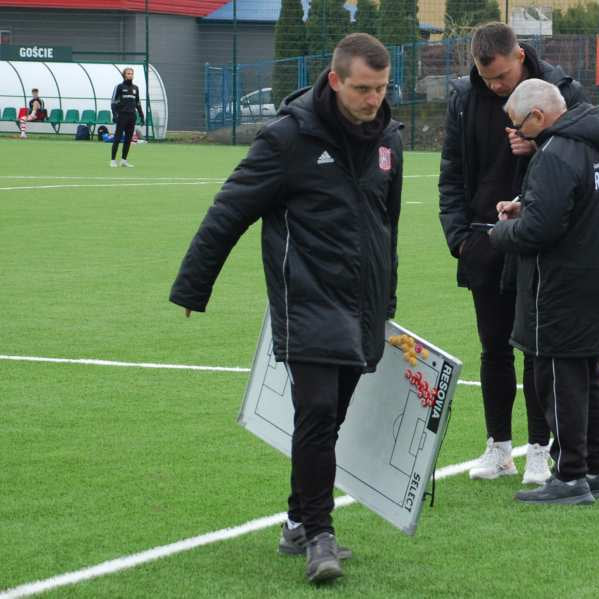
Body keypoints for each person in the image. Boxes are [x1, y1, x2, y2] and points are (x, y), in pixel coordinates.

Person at [169, 33, 402, 583]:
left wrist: (386, 299)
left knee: (334, 416)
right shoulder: (288, 139)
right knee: (318, 414)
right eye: (364, 89)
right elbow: (229, 210)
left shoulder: (389, 137)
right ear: (336, 79)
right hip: (306, 299)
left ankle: (298, 519)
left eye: (383, 87)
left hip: (362, 305)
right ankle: (321, 536)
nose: (374, 99)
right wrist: (192, 288)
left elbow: (385, 227)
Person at [438, 22, 585, 484]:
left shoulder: (561, 90)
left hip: (539, 242)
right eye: (488, 80)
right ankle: (498, 447)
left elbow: (584, 154)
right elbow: (451, 172)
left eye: (501, 77)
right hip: (483, 241)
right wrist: (459, 237)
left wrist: (538, 143)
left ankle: (538, 450)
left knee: (537, 350)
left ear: (519, 55)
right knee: (493, 349)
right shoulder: (464, 97)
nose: (496, 87)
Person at [489, 79, 599, 505]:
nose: (514, 133)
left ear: (538, 116)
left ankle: (568, 476)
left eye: (517, 124)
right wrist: (527, 204)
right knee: (589, 374)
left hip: (561, 284)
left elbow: (540, 231)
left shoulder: (554, 153)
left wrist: (501, 232)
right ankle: (597, 471)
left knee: (558, 377)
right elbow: (576, 203)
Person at [109, 68, 145, 167]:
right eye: (128, 73)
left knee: (128, 139)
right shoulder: (119, 87)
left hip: (132, 116)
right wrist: (115, 114)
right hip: (122, 116)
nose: (130, 75)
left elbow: (138, 103)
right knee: (117, 138)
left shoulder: (135, 88)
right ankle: (113, 160)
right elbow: (113, 102)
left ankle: (123, 160)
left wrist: (141, 115)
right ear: (124, 75)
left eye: (131, 73)